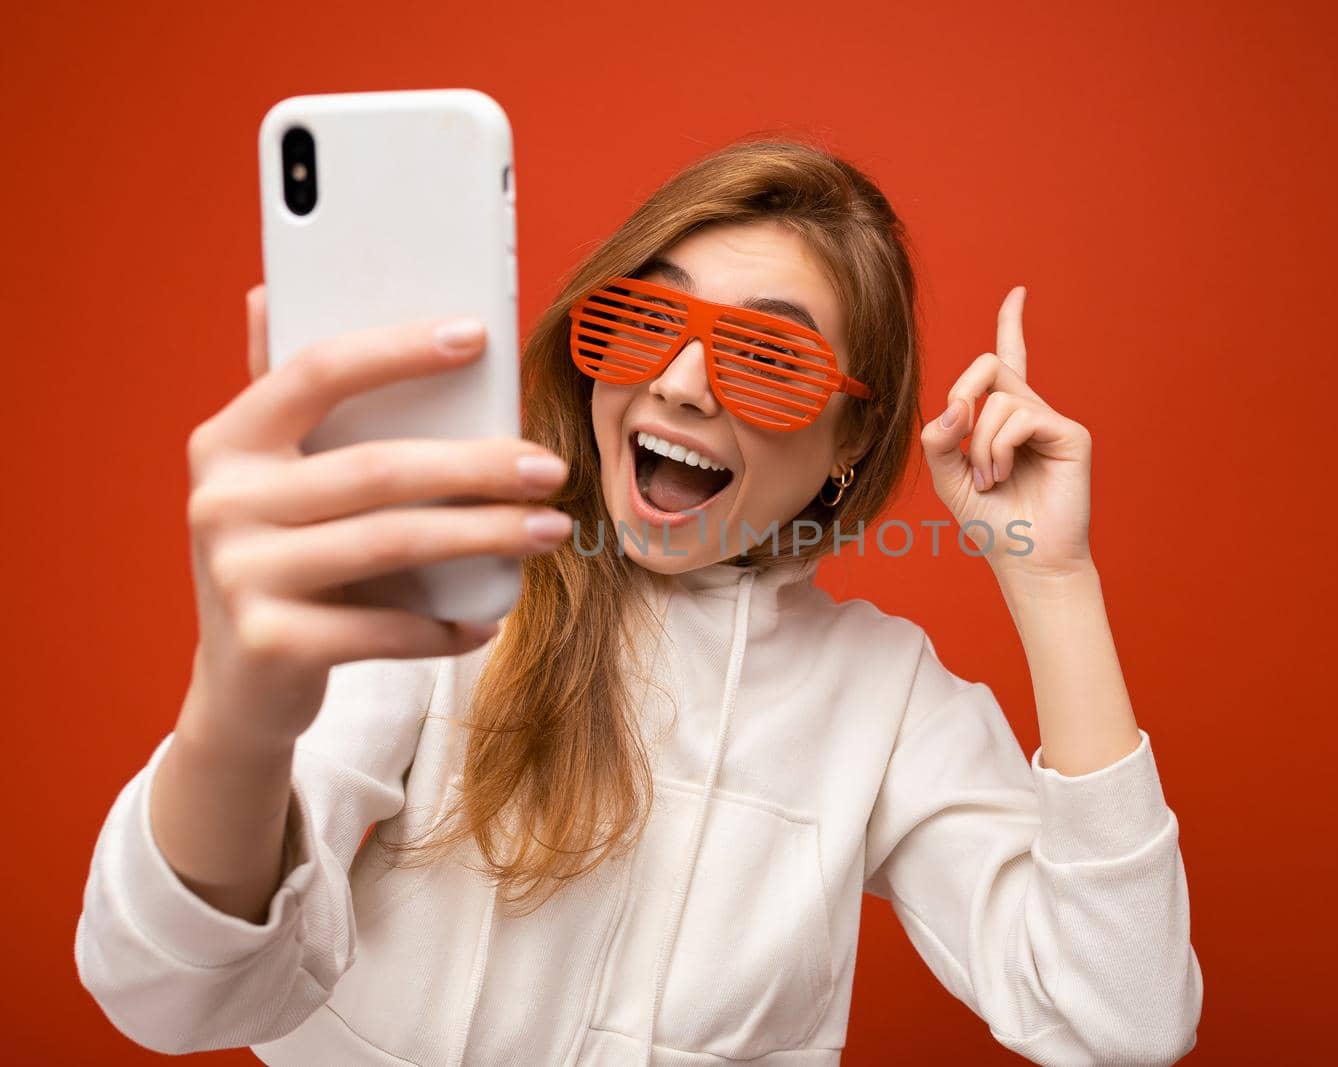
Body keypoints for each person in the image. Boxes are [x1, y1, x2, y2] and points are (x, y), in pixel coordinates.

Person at [74, 139, 1202, 1066]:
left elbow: (1121, 1019)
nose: (676, 382)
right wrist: (237, 714)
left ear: (849, 443)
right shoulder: (453, 585)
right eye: (642, 321)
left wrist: (1050, 576)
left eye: (767, 356)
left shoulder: (886, 695)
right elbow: (177, 993)